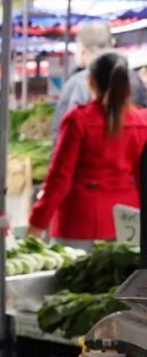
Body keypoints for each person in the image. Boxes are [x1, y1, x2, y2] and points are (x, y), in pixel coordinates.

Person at [28, 53, 147, 248]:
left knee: (75, 276)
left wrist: (37, 224)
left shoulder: (78, 120)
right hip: (128, 220)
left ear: (91, 82)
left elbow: (59, 179)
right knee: (124, 277)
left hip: (79, 222)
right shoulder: (143, 122)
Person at [53, 22, 147, 136]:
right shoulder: (134, 79)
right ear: (112, 43)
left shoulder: (77, 83)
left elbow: (63, 135)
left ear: (82, 48)